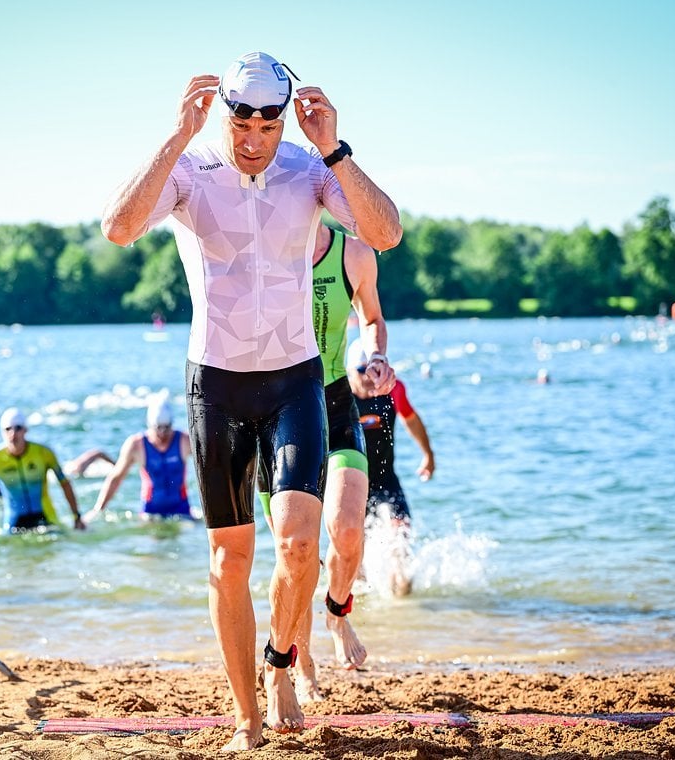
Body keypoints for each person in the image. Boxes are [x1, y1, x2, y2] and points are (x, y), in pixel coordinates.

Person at [100, 51, 401, 749]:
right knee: (229, 562)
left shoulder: (308, 168)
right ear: (226, 112)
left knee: (300, 546)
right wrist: (175, 136)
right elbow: (118, 227)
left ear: (283, 115)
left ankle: (281, 663)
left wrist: (335, 148)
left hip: (295, 379)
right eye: (243, 119)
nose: (255, 135)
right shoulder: (191, 169)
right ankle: (245, 717)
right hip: (218, 385)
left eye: (269, 121)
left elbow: (384, 233)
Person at [257, 221, 394, 702]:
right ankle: (303, 660)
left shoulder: (354, 255)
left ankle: (338, 610)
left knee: (349, 530)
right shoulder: (263, 248)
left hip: (334, 403)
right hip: (274, 412)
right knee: (296, 555)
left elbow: (371, 318)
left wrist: (375, 356)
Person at [347, 340, 435, 597]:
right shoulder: (339, 397)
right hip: (352, 485)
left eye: (373, 371)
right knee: (353, 558)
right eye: (362, 371)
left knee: (402, 543)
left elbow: (411, 419)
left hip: (386, 480)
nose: (368, 378)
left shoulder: (392, 390)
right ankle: (358, 613)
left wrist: (428, 455)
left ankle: (403, 615)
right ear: (349, 371)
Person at [0, 408, 86, 533]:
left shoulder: (43, 453)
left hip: (46, 518)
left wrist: (77, 516)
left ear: (25, 430)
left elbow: (65, 483)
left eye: (17, 428)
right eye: (8, 429)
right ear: (2, 432)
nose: (13, 433)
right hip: (14, 522)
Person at [85, 396, 194, 521]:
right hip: (150, 511)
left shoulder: (184, 440)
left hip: (182, 509)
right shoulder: (137, 445)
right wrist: (98, 509)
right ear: (150, 424)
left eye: (167, 427)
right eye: (159, 428)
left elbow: (210, 465)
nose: (163, 433)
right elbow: (116, 477)